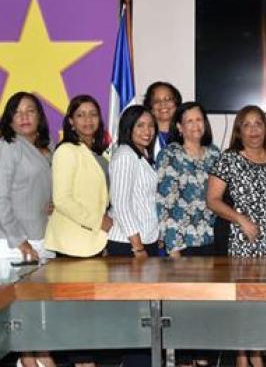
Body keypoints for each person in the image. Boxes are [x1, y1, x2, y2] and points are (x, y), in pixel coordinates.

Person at [207, 105, 266, 367]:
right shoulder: (228, 159)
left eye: (258, 124)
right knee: (243, 302)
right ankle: (243, 356)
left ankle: (257, 354)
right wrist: (240, 219)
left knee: (265, 303)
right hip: (242, 243)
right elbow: (212, 200)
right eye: (247, 125)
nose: (253, 130)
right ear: (239, 131)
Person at [0, 91, 56, 367]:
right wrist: (20, 242)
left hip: (44, 238)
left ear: (40, 116)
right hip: (14, 242)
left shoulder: (49, 145)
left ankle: (38, 357)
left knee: (40, 311)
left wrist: (50, 202)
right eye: (18, 111)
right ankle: (32, 360)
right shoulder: (6, 145)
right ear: (9, 118)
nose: (25, 116)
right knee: (20, 311)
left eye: (31, 110)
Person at [45, 95, 111, 259]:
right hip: (72, 243)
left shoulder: (99, 154)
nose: (88, 119)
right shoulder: (66, 151)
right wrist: (98, 221)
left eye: (93, 114)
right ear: (71, 122)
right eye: (80, 115)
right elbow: (61, 200)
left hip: (93, 241)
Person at [157, 102, 221, 257]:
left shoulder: (214, 153)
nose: (196, 125)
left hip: (212, 240)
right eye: (189, 121)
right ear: (179, 126)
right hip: (182, 242)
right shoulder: (170, 154)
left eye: (199, 120)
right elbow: (165, 204)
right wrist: (173, 249)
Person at [107, 105, 161, 258]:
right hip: (128, 243)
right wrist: (137, 247)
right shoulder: (125, 155)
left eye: (151, 125)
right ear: (128, 128)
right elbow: (121, 204)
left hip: (146, 239)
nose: (147, 131)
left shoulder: (142, 154)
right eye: (140, 125)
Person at [143, 81, 182, 159]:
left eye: (168, 99)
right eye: (156, 101)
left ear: (176, 103)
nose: (163, 104)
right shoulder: (143, 137)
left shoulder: (187, 134)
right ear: (151, 108)